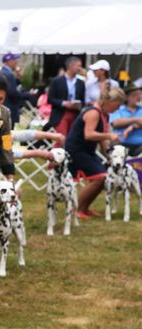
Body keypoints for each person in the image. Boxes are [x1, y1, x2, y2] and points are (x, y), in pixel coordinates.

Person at [65, 87, 125, 220]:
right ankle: (77, 210)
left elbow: (102, 139)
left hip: (88, 150)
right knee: (99, 178)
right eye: (117, 105)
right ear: (110, 101)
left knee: (103, 178)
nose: (118, 108)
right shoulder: (93, 112)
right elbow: (89, 134)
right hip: (76, 149)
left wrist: (109, 156)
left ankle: (84, 208)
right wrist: (109, 135)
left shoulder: (105, 114)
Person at [47, 56, 86, 138]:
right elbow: (50, 99)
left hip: (76, 114)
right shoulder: (56, 81)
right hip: (60, 114)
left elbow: (83, 100)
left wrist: (79, 105)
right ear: (71, 66)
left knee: (73, 138)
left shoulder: (81, 83)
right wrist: (64, 103)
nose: (80, 68)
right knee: (61, 138)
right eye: (78, 66)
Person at [0, 52, 35, 126]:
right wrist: (28, 94)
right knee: (7, 135)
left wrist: (18, 78)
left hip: (0, 108)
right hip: (9, 110)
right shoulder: (9, 75)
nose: (17, 62)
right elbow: (13, 93)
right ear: (9, 61)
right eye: (14, 60)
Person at [109, 84, 142, 156]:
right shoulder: (119, 108)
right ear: (127, 97)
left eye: (140, 94)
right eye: (135, 95)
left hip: (140, 145)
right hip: (121, 144)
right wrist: (135, 120)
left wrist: (132, 127)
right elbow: (116, 123)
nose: (139, 97)